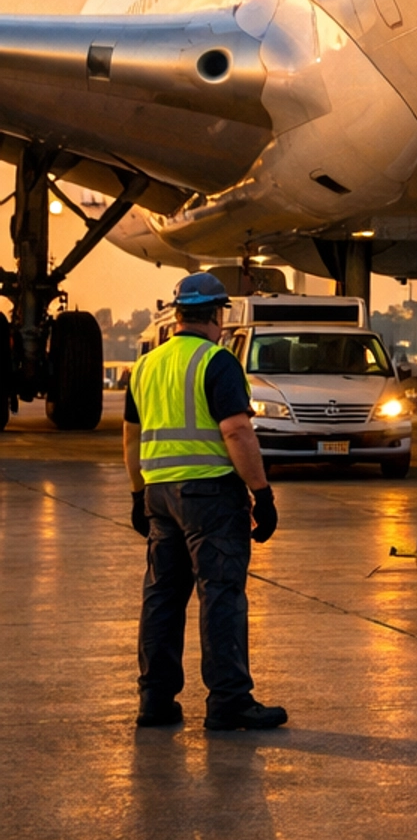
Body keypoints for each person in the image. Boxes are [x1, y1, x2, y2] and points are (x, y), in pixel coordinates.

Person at [125, 271, 287, 732]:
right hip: (211, 495)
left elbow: (131, 435)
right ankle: (229, 701)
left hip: (159, 495)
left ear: (177, 314)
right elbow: (236, 430)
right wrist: (262, 493)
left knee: (162, 596)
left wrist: (138, 494)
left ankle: (155, 700)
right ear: (219, 315)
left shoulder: (148, 365)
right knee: (221, 595)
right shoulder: (217, 362)